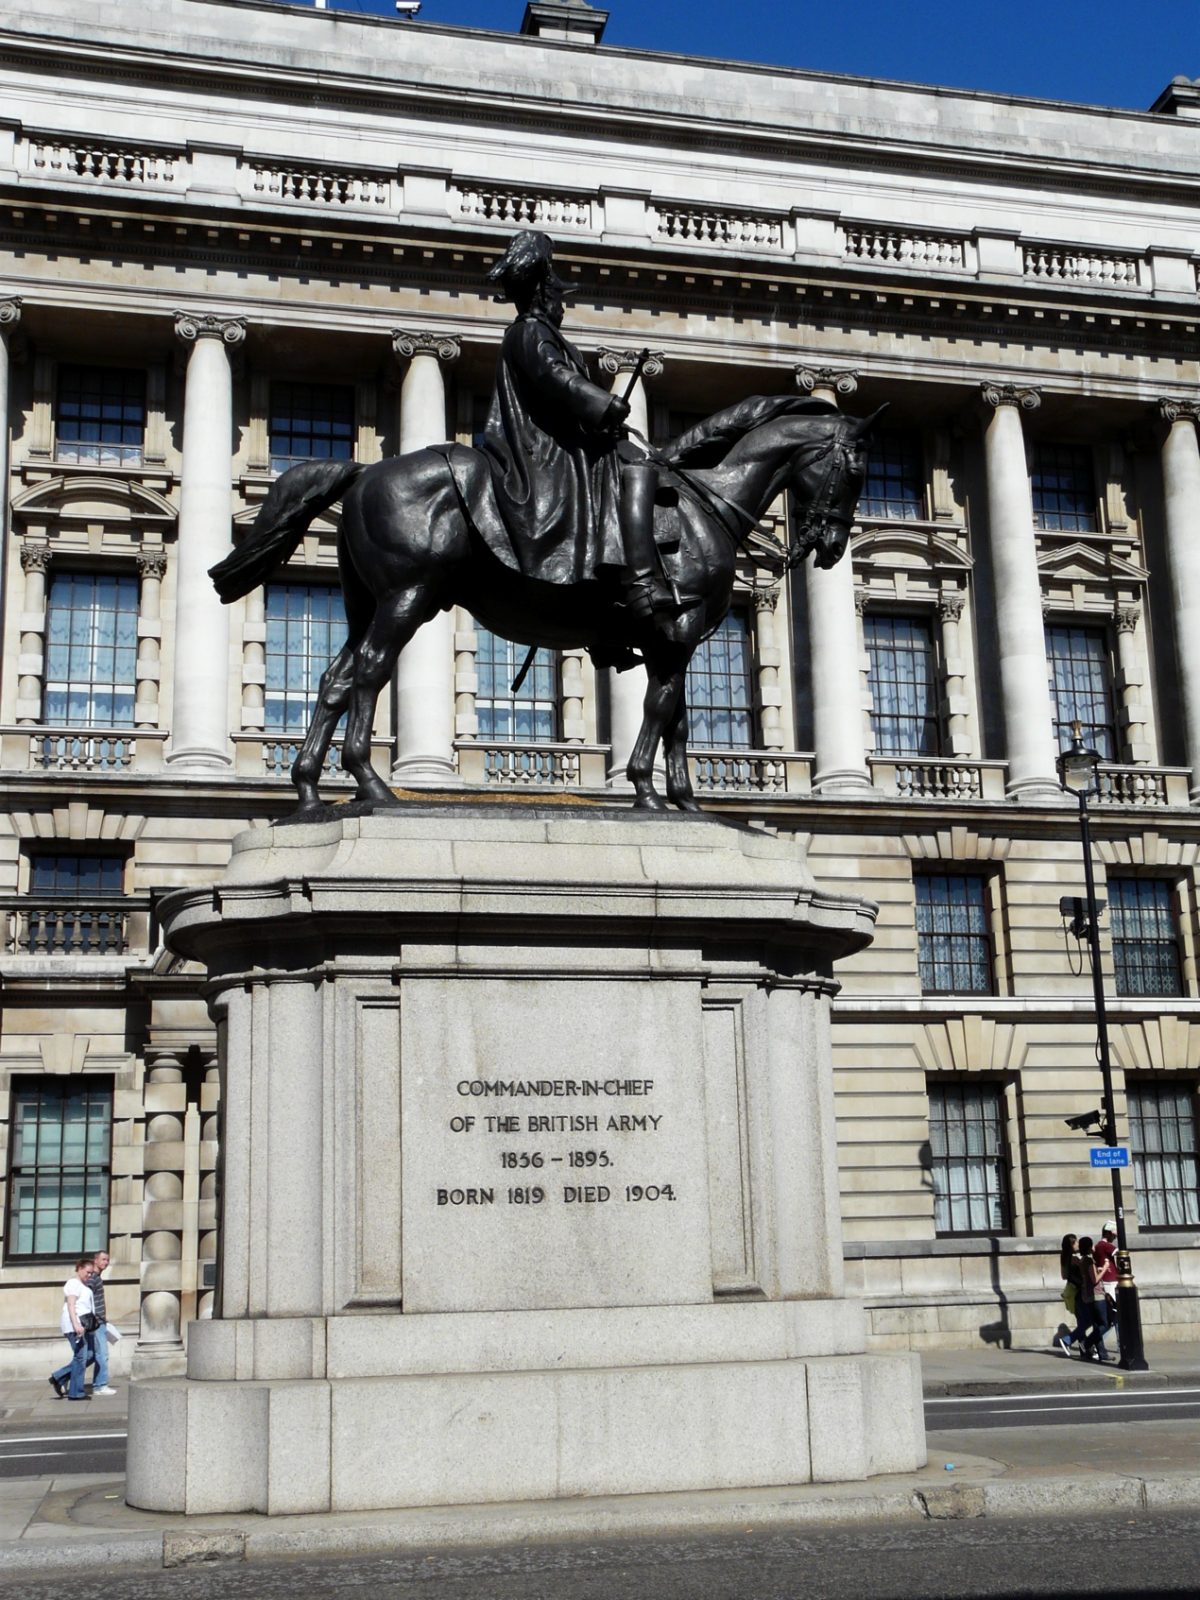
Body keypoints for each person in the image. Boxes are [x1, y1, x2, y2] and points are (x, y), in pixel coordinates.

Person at [482, 230, 674, 620]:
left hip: (562, 441)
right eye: (558, 296)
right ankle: (639, 583)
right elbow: (555, 378)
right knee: (637, 469)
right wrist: (605, 405)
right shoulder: (530, 332)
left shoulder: (537, 333)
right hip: (546, 452)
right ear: (543, 293)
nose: (563, 306)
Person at [49, 1256, 96, 1401]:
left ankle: (59, 1377)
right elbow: (71, 1304)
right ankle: (76, 1392)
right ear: (80, 1269)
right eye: (87, 1272)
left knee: (89, 1355)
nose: (89, 1275)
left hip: (84, 1326)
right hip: (74, 1325)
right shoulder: (73, 1283)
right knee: (81, 1356)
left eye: (91, 1273)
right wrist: (76, 1324)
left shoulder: (84, 1286)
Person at [1069, 1236, 1110, 1362]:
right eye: (1092, 1245)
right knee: (1106, 1324)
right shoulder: (1089, 1261)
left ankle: (1101, 1353)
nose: (1094, 1247)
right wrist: (1104, 1268)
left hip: (1088, 1296)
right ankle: (1086, 1343)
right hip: (1097, 1295)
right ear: (1089, 1247)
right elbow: (1095, 1280)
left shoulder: (1083, 1261)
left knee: (1097, 1325)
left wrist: (1097, 1269)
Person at [85, 1248, 116, 1396]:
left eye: (107, 1260)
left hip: (100, 1321)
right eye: (103, 1259)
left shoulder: (97, 1277)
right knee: (102, 1354)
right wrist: (95, 1319)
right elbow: (86, 1298)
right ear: (95, 1260)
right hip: (96, 1322)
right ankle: (100, 1385)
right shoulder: (93, 1278)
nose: (106, 1262)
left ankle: (61, 1377)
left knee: (91, 1355)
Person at [1053, 1233, 1085, 1354]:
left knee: (1081, 1320)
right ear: (1072, 1244)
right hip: (1079, 1290)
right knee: (1086, 1321)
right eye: (1076, 1242)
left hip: (1070, 1290)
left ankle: (1084, 1348)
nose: (1078, 1244)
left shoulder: (1063, 1257)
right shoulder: (1074, 1259)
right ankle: (1068, 1340)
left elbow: (1063, 1276)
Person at [1093, 1219, 1120, 1319]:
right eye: (1114, 1235)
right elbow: (1119, 1253)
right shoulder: (1106, 1245)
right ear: (1108, 1233)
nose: (1115, 1237)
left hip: (1104, 1280)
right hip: (1111, 1280)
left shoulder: (1097, 1246)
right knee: (1115, 1311)